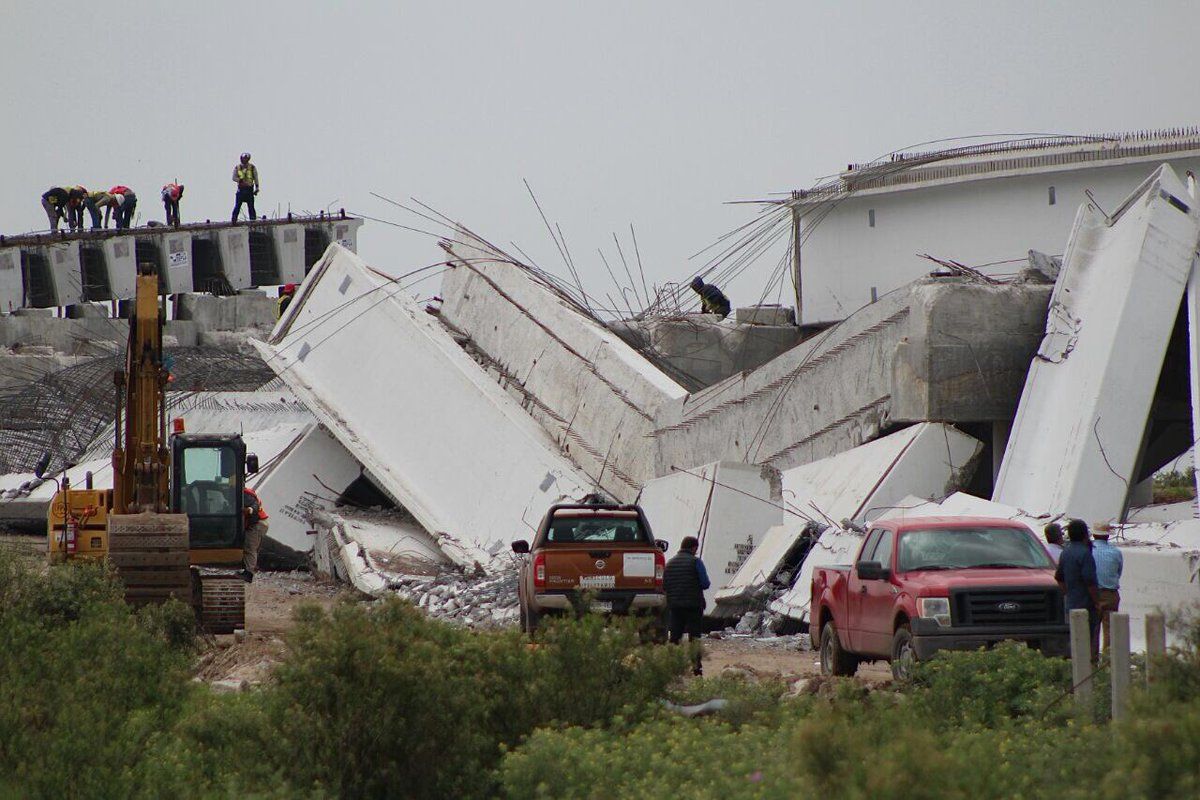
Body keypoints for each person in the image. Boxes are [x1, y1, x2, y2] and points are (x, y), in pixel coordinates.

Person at [662, 535, 711, 675]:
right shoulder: (696, 562)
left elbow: (664, 585)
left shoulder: (670, 563)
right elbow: (705, 584)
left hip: (675, 606)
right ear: (694, 547)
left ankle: (671, 667)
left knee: (675, 637)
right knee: (694, 638)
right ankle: (696, 668)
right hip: (693, 606)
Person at [1055, 518, 1100, 662]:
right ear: (1085, 535)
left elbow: (1059, 578)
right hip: (1086, 605)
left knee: (1074, 639)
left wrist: (1068, 594)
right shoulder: (1085, 554)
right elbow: (1090, 582)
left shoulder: (1065, 552)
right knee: (1087, 642)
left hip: (1071, 604)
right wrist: (1097, 602)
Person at [1091, 524, 1123, 654]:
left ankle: (1092, 661)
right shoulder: (1116, 552)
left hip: (1093, 594)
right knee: (1110, 630)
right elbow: (1118, 572)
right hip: (1110, 594)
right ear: (1108, 535)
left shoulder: (1089, 550)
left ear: (1093, 535)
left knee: (1093, 629)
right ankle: (1108, 661)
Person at [242, 486, 268, 581]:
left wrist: (249, 510)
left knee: (250, 547)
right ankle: (247, 570)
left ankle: (249, 573)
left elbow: (255, 505)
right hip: (255, 523)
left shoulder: (245, 494)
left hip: (258, 524)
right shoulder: (243, 492)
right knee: (249, 547)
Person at [231, 152, 260, 222]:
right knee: (237, 206)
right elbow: (233, 177)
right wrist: (239, 180)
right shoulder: (237, 167)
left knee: (251, 207)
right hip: (241, 190)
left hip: (249, 190)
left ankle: (253, 220)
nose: (244, 160)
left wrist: (257, 188)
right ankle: (234, 220)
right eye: (243, 159)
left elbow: (256, 178)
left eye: (246, 159)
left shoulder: (252, 167)